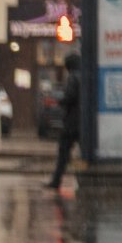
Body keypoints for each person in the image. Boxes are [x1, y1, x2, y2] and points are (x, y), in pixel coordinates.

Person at [46, 53, 82, 190]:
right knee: (82, 152)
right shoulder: (84, 75)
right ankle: (82, 177)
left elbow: (70, 97)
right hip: (82, 121)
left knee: (64, 151)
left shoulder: (73, 77)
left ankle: (56, 180)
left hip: (72, 121)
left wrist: (59, 102)